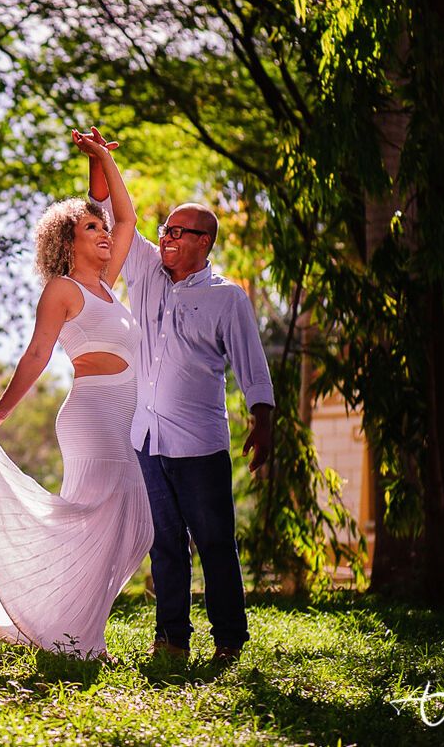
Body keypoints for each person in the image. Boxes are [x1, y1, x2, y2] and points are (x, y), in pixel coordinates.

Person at [0, 127, 154, 662]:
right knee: (111, 520)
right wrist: (1, 411)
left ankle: (62, 619)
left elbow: (125, 216)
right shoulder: (63, 289)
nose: (106, 233)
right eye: (92, 229)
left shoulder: (108, 283)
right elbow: (37, 355)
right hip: (93, 416)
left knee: (129, 523)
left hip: (126, 413)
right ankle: (80, 639)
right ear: (68, 244)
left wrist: (102, 158)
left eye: (102, 229)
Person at [88, 141, 274, 665]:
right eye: (164, 230)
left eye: (177, 232)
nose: (165, 238)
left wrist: (263, 421)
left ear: (204, 242)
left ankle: (229, 641)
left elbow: (250, 364)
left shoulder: (227, 298)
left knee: (215, 544)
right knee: (165, 545)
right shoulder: (145, 273)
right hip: (147, 438)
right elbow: (114, 213)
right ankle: (171, 638)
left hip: (200, 442)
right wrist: (100, 159)